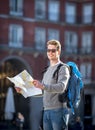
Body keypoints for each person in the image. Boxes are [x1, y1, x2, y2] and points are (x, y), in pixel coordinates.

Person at [33, 39, 70, 130]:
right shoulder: (46, 70)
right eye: (48, 50)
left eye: (53, 50)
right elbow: (43, 91)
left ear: (59, 51)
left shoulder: (63, 68)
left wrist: (43, 86)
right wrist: (23, 90)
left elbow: (61, 87)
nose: (50, 53)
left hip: (58, 110)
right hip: (46, 110)